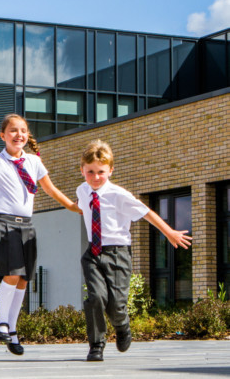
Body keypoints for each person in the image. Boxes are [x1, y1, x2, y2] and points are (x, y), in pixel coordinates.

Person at [0, 114, 81, 356]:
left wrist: (73, 207)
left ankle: (11, 330)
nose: (18, 134)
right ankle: (1, 321)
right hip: (3, 223)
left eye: (22, 130)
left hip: (26, 226)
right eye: (13, 130)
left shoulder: (33, 162)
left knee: (23, 279)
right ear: (3, 136)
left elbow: (50, 189)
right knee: (11, 274)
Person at [77, 139, 191, 362]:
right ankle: (96, 345)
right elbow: (81, 207)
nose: (95, 177)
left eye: (100, 172)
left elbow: (147, 212)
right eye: (90, 172)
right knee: (95, 298)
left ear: (110, 170)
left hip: (118, 254)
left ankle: (122, 325)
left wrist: (169, 232)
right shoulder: (82, 190)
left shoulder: (119, 195)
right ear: (82, 170)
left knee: (116, 306)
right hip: (93, 253)